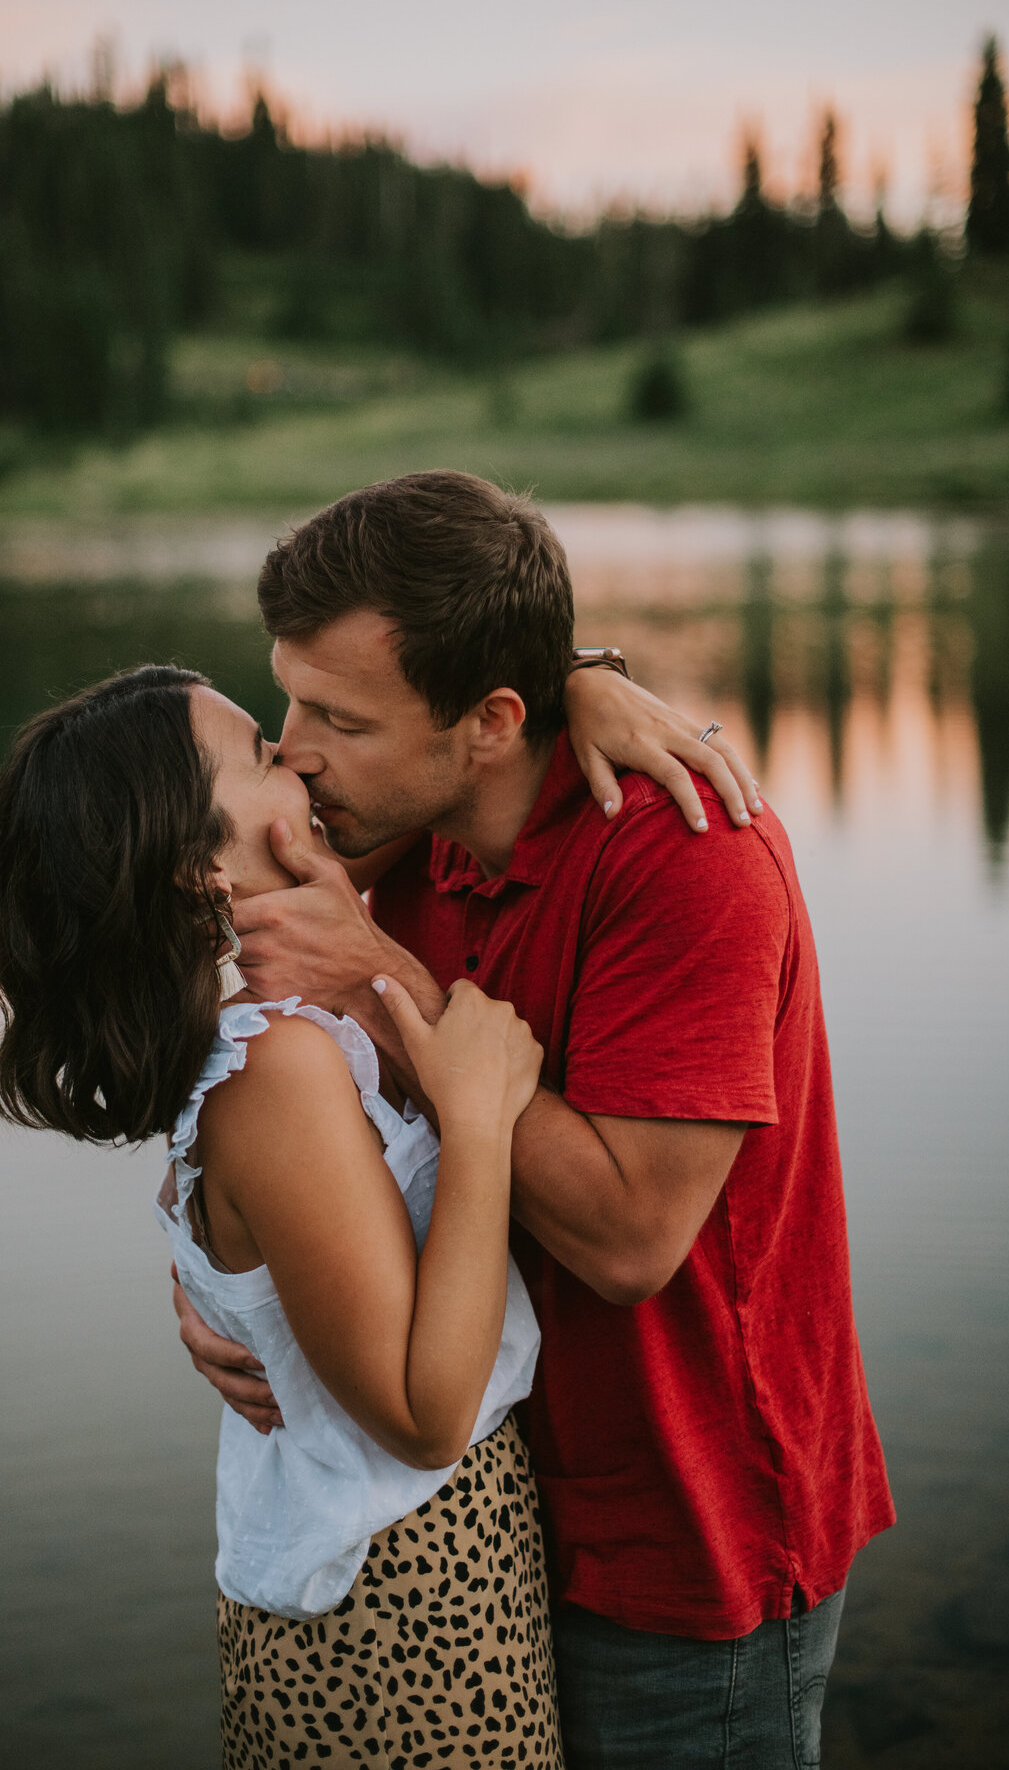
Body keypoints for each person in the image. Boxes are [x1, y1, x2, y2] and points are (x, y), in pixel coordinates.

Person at [175, 470, 896, 1769]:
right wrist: (224, 1280)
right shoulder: (393, 828)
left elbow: (630, 1244)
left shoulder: (688, 859)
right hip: (482, 1523)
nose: (291, 749)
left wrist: (380, 973)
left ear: (494, 721)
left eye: (338, 715)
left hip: (688, 1549)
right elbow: (230, 1086)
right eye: (289, 701)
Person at [0, 665, 593, 1767]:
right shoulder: (279, 1069)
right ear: (192, 861)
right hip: (401, 1607)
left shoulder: (271, 1029)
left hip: (406, 1566)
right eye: (261, 753)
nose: (298, 758)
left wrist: (581, 687)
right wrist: (481, 1115)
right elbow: (422, 1415)